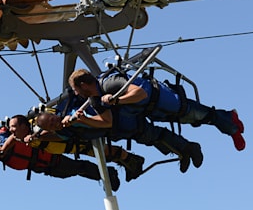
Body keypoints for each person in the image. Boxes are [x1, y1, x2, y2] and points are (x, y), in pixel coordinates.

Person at [48, 69, 207, 174]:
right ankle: (183, 151)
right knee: (154, 138)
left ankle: (189, 147)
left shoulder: (76, 108)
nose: (77, 93)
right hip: (121, 127)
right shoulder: (68, 125)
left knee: (156, 133)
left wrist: (82, 119)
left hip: (125, 118)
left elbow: (103, 119)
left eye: (77, 89)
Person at [94, 53, 246, 152]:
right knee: (196, 118)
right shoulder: (100, 98)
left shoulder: (109, 84)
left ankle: (231, 125)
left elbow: (140, 93)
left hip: (166, 101)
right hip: (156, 110)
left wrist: (117, 100)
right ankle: (230, 118)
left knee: (201, 114)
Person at [0, 118, 120, 191]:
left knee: (79, 167)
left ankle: (109, 174)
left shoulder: (0, 137)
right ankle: (106, 174)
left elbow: (0, 151)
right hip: (41, 165)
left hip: (47, 157)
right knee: (75, 171)